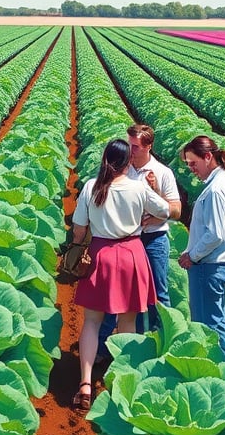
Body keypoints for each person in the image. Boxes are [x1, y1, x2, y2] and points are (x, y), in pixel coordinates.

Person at [70, 139, 171, 409]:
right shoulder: (138, 188)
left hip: (100, 254)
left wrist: (80, 242)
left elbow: (79, 227)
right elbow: (166, 211)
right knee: (127, 322)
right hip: (131, 255)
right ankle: (124, 380)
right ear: (128, 163)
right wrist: (151, 200)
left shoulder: (92, 187)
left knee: (92, 322)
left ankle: (86, 383)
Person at [97, 124, 181, 361]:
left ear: (148, 146)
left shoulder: (162, 173)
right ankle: (105, 347)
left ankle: (160, 345)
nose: (130, 150)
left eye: (135, 146)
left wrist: (155, 211)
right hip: (124, 241)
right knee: (115, 295)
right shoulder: (121, 168)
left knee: (158, 293)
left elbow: (176, 210)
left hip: (153, 239)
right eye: (129, 144)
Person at [177, 136, 225, 363]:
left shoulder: (217, 190)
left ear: (208, 157)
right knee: (216, 321)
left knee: (210, 325)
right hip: (217, 264)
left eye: (193, 163)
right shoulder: (222, 181)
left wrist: (191, 256)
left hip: (210, 267)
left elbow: (216, 234)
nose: (191, 169)